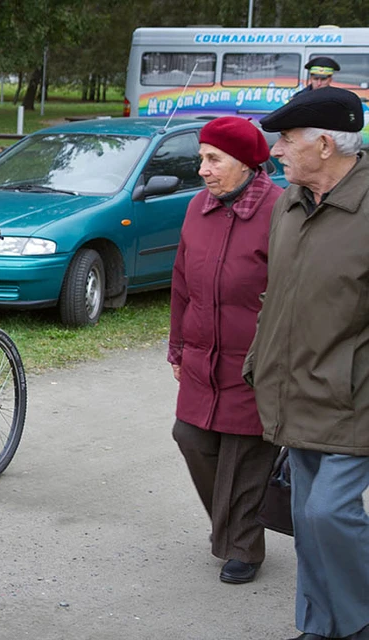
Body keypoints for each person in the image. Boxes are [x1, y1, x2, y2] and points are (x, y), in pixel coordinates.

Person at [245, 87, 369, 640]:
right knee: (305, 519)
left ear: (324, 144)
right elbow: (277, 295)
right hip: (292, 387)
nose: (276, 150)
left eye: (287, 140)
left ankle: (359, 620)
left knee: (328, 514)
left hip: (354, 395)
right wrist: (257, 360)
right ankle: (320, 625)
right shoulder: (289, 206)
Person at [168, 117, 283, 585]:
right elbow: (180, 281)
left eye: (214, 159)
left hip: (256, 360)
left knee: (245, 451)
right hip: (201, 353)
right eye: (202, 158)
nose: (203, 170)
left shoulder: (281, 209)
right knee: (191, 437)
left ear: (246, 164)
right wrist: (177, 346)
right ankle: (237, 525)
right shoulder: (198, 207)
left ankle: (243, 545)